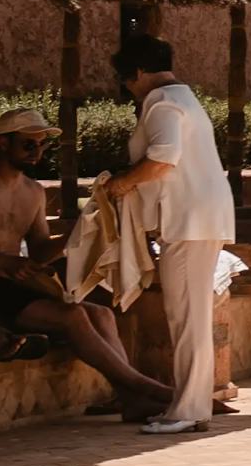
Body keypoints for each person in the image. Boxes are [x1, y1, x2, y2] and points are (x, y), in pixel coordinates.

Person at [0, 107, 171, 416]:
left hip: (13, 283)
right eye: (28, 144)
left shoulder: (33, 192)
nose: (37, 151)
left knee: (102, 315)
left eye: (42, 144)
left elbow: (39, 250)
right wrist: (4, 262)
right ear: (3, 143)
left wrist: (75, 237)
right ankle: (144, 387)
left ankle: (130, 395)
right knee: (71, 316)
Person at [90, 32, 239, 436]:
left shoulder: (163, 103)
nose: (127, 88)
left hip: (188, 221)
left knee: (187, 316)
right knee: (190, 315)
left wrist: (120, 184)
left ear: (137, 72)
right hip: (197, 218)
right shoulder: (182, 98)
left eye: (126, 79)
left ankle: (188, 408)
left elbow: (162, 160)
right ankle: (189, 405)